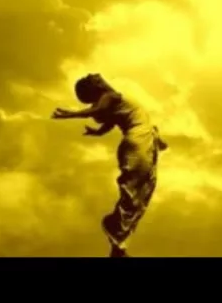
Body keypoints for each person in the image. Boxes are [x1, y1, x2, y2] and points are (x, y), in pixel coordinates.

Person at [52, 73, 167, 257]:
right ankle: (114, 227)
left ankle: (118, 247)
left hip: (142, 141)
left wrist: (96, 132)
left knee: (143, 192)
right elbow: (98, 110)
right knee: (134, 192)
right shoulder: (110, 96)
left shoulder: (113, 100)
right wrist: (71, 114)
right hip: (138, 141)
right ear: (95, 86)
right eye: (93, 78)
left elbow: (109, 123)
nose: (96, 75)